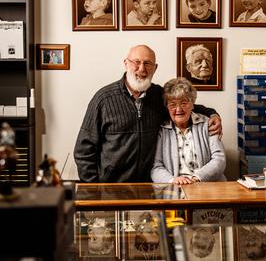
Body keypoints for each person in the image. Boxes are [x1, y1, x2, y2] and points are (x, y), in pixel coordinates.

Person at [74, 45, 222, 183]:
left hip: (149, 186)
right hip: (111, 187)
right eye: (136, 62)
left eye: (147, 63)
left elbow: (186, 106)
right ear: (126, 63)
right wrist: (94, 187)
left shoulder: (159, 95)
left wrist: (213, 114)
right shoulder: (104, 99)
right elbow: (83, 151)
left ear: (155, 68)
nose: (141, 68)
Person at [151, 78, 226, 184]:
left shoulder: (208, 124)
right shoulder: (161, 130)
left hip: (207, 186)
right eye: (172, 104)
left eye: (183, 103)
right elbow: (156, 166)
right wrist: (172, 180)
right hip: (174, 188)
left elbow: (219, 159)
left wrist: (197, 178)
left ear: (192, 104)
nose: (178, 109)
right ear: (166, 107)